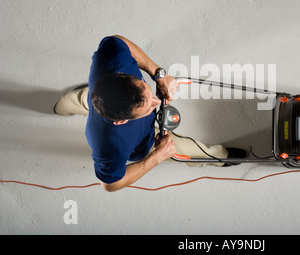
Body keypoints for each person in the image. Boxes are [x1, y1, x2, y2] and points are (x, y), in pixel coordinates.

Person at [54, 35, 245, 192]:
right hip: (145, 141)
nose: (157, 102)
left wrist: (158, 75)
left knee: (85, 98)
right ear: (121, 121)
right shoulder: (108, 146)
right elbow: (110, 185)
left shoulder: (112, 56)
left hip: (97, 93)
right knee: (187, 149)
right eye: (148, 108)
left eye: (146, 89)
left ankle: (62, 105)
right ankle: (219, 157)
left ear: (122, 75)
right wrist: (156, 157)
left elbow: (121, 41)